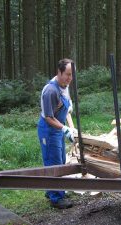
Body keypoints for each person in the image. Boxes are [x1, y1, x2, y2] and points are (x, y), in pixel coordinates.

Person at [37, 58, 76, 209]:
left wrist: (70, 108)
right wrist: (65, 129)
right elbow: (48, 117)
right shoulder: (50, 90)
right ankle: (56, 198)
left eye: (72, 75)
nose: (69, 78)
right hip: (49, 130)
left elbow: (66, 104)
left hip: (58, 128)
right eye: (67, 74)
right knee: (53, 163)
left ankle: (52, 190)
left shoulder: (64, 85)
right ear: (58, 72)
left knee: (60, 159)